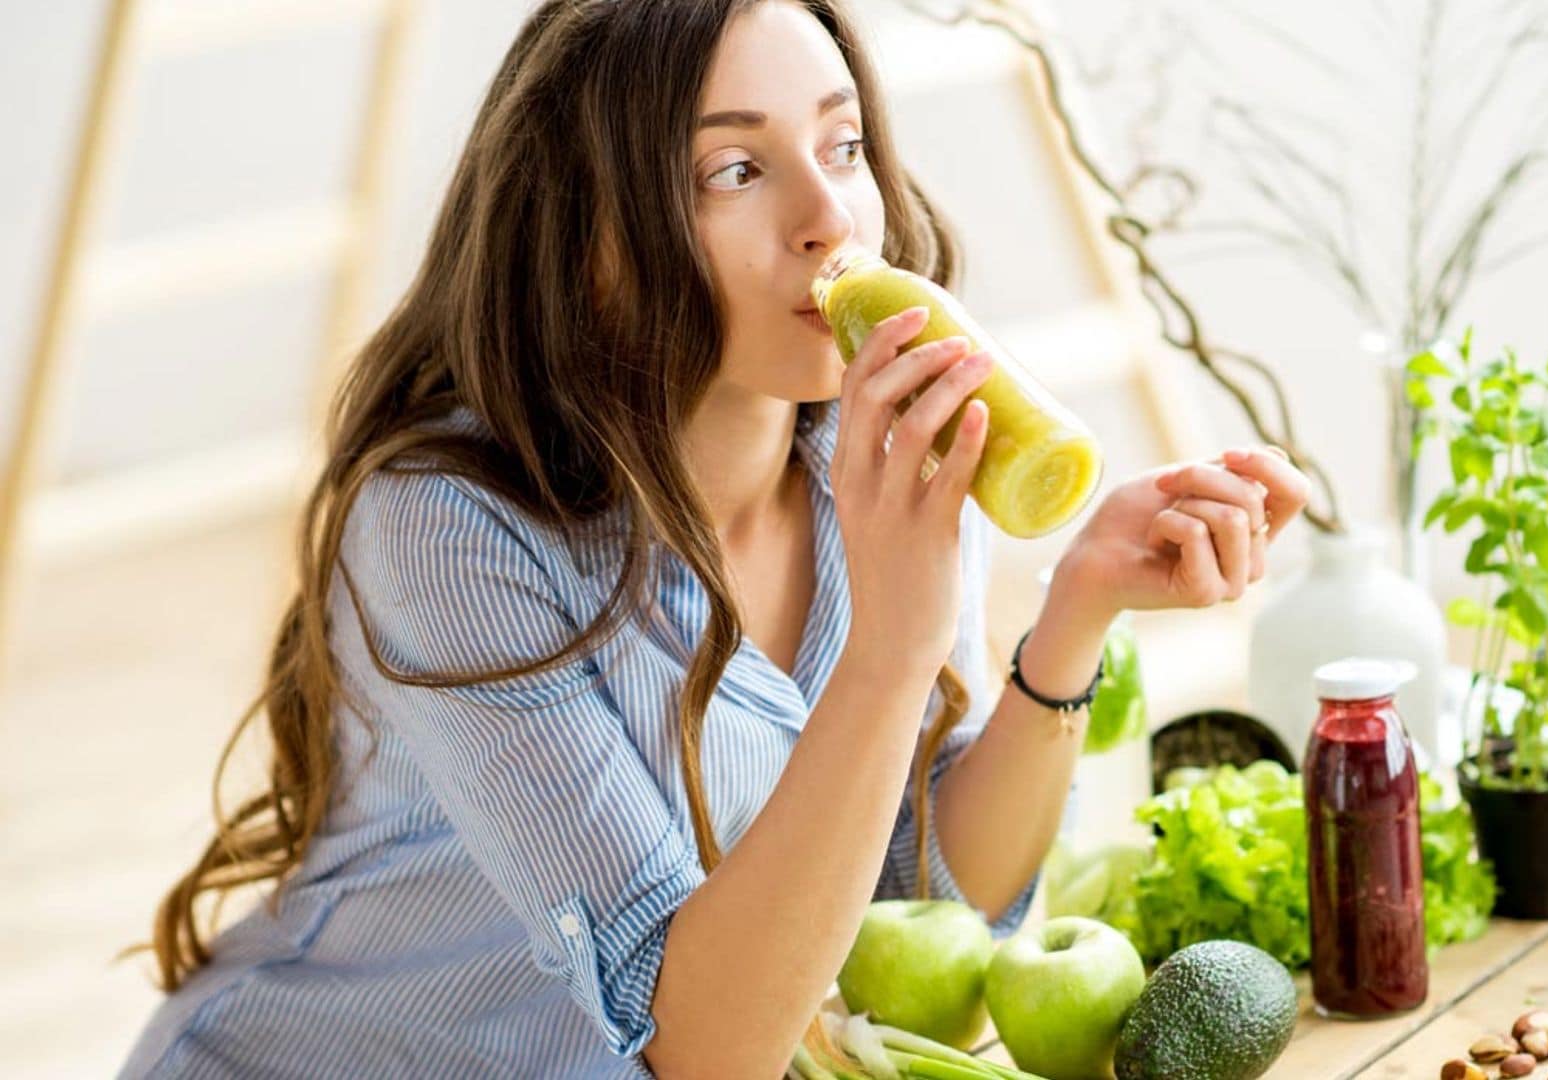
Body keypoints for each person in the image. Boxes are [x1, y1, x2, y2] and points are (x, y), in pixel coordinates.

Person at [120, 1, 1310, 1075]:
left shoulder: (870, 462)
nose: (829, 216)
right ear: (593, 248)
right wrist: (894, 650)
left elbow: (903, 899)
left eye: (842, 148)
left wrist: (1075, 612)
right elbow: (703, 1046)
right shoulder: (448, 530)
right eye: (735, 170)